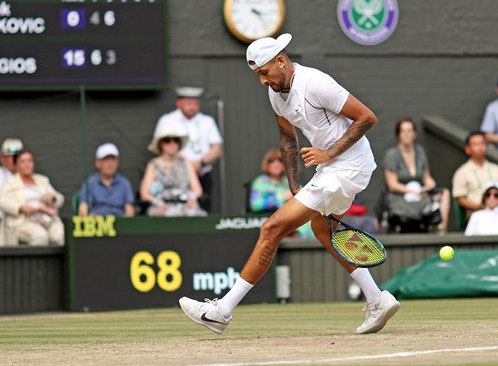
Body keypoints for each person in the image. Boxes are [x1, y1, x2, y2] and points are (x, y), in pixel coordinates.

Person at [179, 33, 400, 335]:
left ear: (281, 61)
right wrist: (295, 185)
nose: (262, 81)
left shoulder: (317, 83)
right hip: (333, 170)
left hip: (348, 165)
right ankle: (378, 298)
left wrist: (328, 152)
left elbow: (367, 117)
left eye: (264, 72)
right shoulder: (275, 94)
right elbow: (287, 139)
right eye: (257, 75)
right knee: (324, 230)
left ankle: (221, 311)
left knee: (271, 228)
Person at [153, 86, 223, 212]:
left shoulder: (207, 121)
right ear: (179, 103)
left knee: (203, 211)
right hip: (176, 177)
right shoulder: (167, 120)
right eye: (189, 103)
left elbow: (216, 148)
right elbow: (161, 147)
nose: (193, 107)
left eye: (196, 103)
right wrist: (189, 166)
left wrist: (200, 163)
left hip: (203, 174)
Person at [382, 117, 450, 233]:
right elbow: (392, 185)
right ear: (398, 134)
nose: (407, 134)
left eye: (409, 131)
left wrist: (430, 189)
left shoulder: (420, 151)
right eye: (403, 131)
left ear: (415, 133)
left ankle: (442, 232)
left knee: (444, 193)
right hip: (400, 198)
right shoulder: (392, 155)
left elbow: (427, 177)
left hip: (419, 194)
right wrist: (414, 192)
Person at [0, 150, 65, 246]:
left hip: (47, 219)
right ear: (16, 165)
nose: (27, 165)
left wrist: (52, 198)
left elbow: (60, 198)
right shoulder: (10, 182)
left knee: (59, 236)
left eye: (30, 161)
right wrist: (21, 208)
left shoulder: (42, 180)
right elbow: (1, 201)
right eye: (23, 162)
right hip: (23, 221)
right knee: (41, 236)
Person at [140, 125, 206, 217]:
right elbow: (144, 193)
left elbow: (197, 189)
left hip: (184, 205)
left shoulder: (186, 163)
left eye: (175, 140)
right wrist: (158, 203)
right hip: (162, 206)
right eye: (167, 141)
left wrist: (192, 199)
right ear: (161, 144)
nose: (172, 144)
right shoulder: (153, 164)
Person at [249, 148, 313, 238]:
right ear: (266, 164)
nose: (276, 164)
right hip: (275, 219)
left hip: (295, 215)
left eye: (280, 160)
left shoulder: (287, 181)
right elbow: (255, 204)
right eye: (271, 161)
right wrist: (281, 197)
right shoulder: (260, 182)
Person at [452, 131, 498, 220]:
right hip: (475, 214)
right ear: (468, 149)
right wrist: (482, 207)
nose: (480, 147)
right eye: (476, 144)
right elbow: (461, 199)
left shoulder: (496, 168)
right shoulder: (462, 172)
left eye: (482, 143)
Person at [78, 143, 135, 217]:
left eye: (113, 159)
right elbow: (83, 209)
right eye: (106, 159)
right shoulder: (90, 183)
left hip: (119, 223)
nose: (110, 163)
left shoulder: (124, 183)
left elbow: (130, 211)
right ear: (98, 163)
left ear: (117, 162)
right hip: (97, 223)